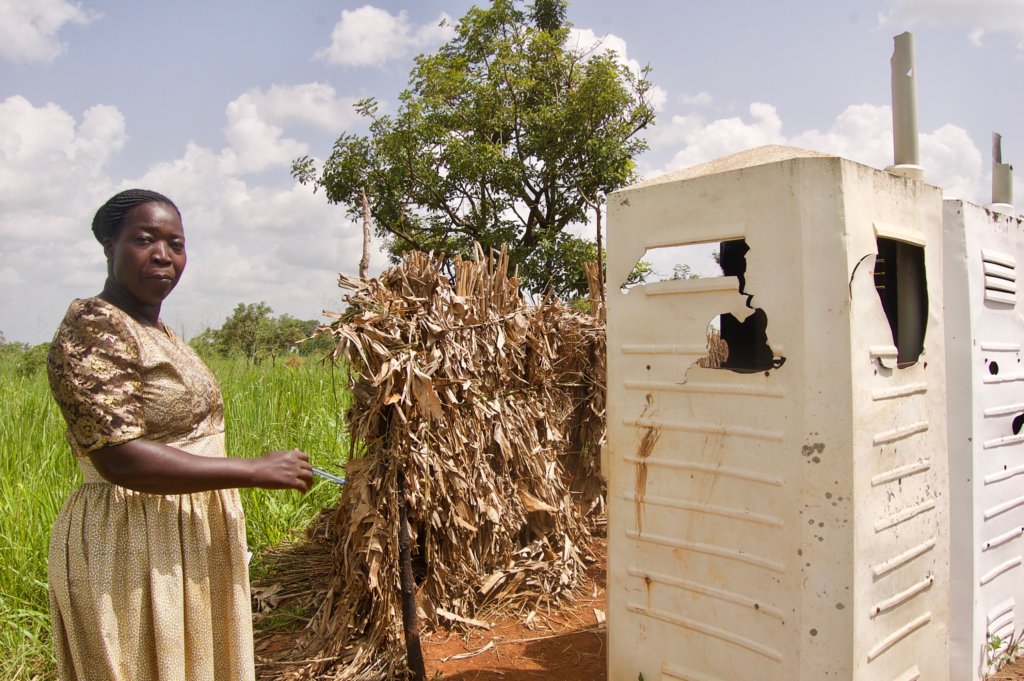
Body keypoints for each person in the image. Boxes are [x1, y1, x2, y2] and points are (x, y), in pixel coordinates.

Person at [46, 189, 313, 680]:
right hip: (130, 540)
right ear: (109, 245)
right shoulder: (95, 325)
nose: (164, 256)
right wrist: (252, 470)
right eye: (145, 239)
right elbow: (118, 457)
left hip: (183, 532)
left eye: (176, 243)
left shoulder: (158, 331)